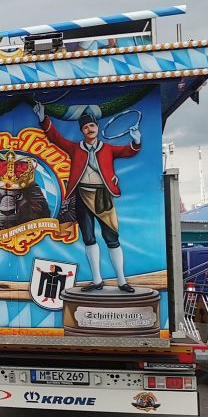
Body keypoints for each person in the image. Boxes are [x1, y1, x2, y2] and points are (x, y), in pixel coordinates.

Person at [34, 101, 140, 293]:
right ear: (82, 131)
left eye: (92, 125)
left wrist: (136, 141)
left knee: (112, 238)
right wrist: (43, 119)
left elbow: (127, 151)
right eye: (85, 127)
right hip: (82, 195)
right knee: (89, 238)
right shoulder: (75, 148)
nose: (89, 129)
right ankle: (97, 280)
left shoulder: (108, 148)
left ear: (97, 128)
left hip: (102, 196)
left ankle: (122, 281)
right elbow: (56, 138)